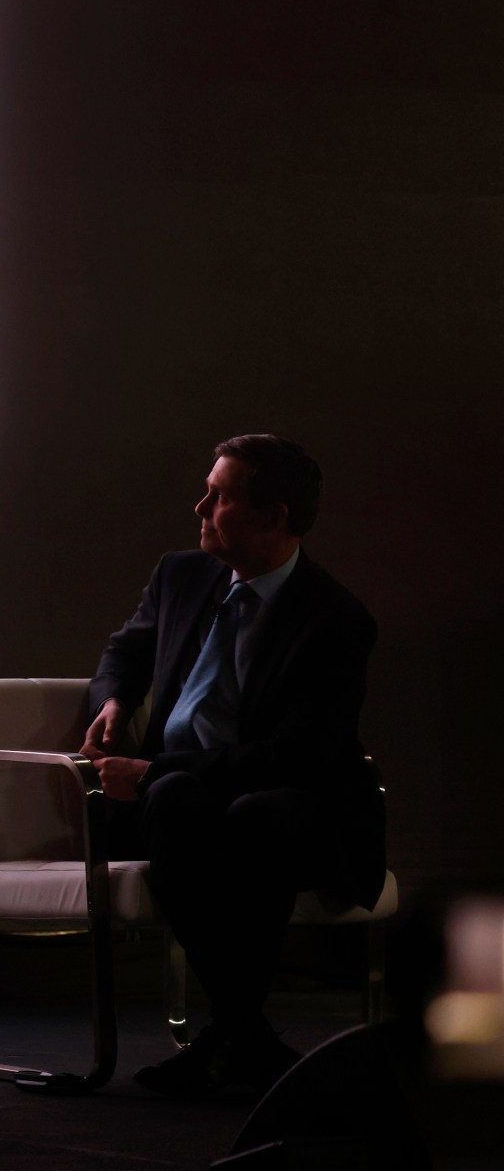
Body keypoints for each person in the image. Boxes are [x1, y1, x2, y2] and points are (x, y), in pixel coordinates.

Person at [80, 433, 382, 1098]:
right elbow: (124, 652)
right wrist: (114, 701)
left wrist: (149, 772)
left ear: (272, 517)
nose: (200, 507)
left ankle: (229, 1034)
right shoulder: (181, 575)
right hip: (183, 799)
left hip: (293, 802)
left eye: (220, 497)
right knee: (178, 797)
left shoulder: (334, 620)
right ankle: (245, 1034)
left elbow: (297, 756)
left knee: (247, 812)